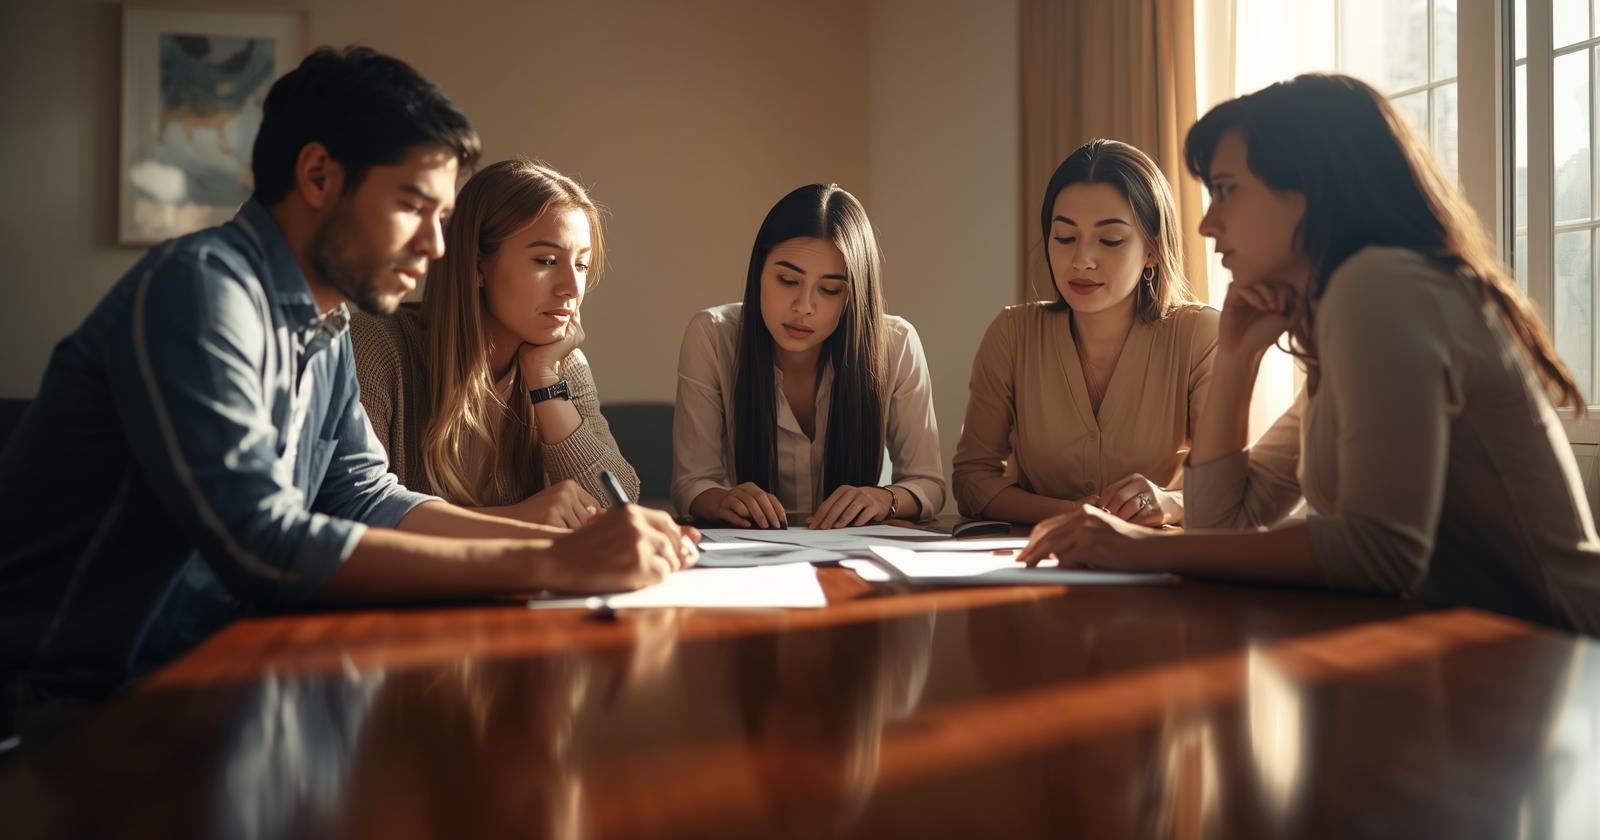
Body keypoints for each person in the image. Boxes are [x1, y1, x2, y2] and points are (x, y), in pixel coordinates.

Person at [0, 47, 696, 696]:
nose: (435, 246)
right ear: (318, 177)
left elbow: (366, 497)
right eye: (412, 207)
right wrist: (554, 564)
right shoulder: (200, 291)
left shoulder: (324, 321)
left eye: (445, 216)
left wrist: (571, 544)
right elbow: (262, 539)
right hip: (70, 700)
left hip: (201, 678)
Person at [1020, 73, 1600, 635]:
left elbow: (1382, 552)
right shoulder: (1347, 311)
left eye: (1226, 190)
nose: (1206, 223)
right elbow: (1224, 524)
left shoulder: (1380, 287)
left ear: (1310, 189)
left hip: (1559, 653)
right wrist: (1237, 357)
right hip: (1478, 656)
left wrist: (1140, 548)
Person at [351, 158, 636, 529]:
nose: (572, 287)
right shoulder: (377, 343)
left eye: (581, 264)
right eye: (547, 260)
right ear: (478, 267)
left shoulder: (562, 364)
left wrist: (544, 381)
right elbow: (353, 514)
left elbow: (619, 506)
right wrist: (516, 520)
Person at [953, 140, 1217, 526]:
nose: (1081, 261)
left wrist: (1172, 504)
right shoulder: (1012, 335)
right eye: (1064, 238)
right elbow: (972, 479)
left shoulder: (1200, 336)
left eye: (1109, 240)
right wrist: (1071, 514)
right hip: (1033, 561)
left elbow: (1230, 490)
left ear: (1153, 251)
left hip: (1157, 562)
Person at [671, 183, 945, 529]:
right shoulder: (712, 336)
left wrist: (884, 498)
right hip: (753, 561)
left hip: (855, 557)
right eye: (787, 280)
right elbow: (691, 484)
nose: (804, 307)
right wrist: (723, 499)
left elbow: (929, 484)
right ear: (758, 274)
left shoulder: (896, 343)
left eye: (830, 290)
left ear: (854, 296)